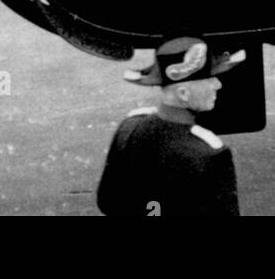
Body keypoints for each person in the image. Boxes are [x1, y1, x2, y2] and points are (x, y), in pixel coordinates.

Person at [97, 37, 242, 217]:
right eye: (209, 79)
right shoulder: (211, 154)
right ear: (183, 94)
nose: (217, 85)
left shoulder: (130, 127)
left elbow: (107, 201)